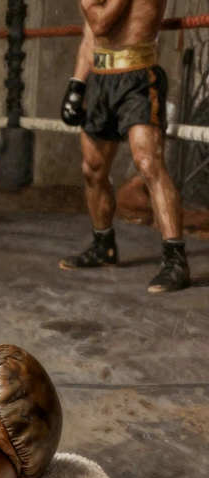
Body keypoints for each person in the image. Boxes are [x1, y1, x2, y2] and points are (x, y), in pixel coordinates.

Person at [58, 0, 192, 293]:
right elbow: (91, 33)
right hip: (100, 79)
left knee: (148, 164)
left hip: (138, 77)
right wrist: (77, 83)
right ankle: (103, 246)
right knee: (92, 168)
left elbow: (101, 21)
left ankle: (176, 260)